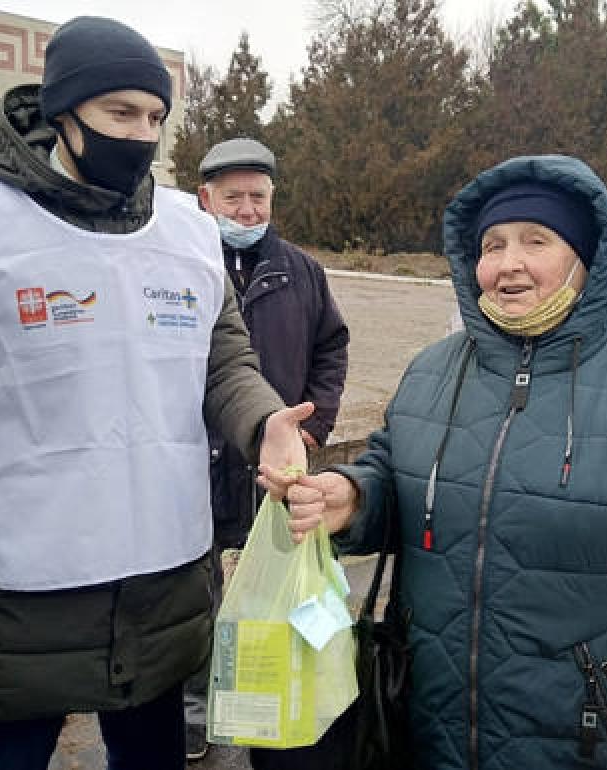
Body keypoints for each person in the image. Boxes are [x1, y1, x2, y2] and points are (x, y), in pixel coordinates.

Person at [263, 155, 607, 769]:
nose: (508, 263)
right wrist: (353, 495)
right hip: (431, 729)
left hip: (591, 738)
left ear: (584, 258)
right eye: (492, 244)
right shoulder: (433, 371)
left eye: (536, 240)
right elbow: (397, 471)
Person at [0, 16, 311, 770]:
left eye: (155, 118)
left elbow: (223, 364)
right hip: (27, 590)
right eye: (121, 113)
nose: (141, 134)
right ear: (63, 113)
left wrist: (265, 419)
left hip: (163, 581)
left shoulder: (186, 231)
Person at [184, 137, 350, 760]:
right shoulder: (184, 265)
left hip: (277, 468)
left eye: (259, 196)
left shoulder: (300, 270)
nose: (249, 210)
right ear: (206, 199)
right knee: (197, 597)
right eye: (234, 197)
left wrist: (314, 426)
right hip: (199, 464)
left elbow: (332, 346)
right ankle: (197, 712)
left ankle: (266, 698)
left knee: (272, 590)